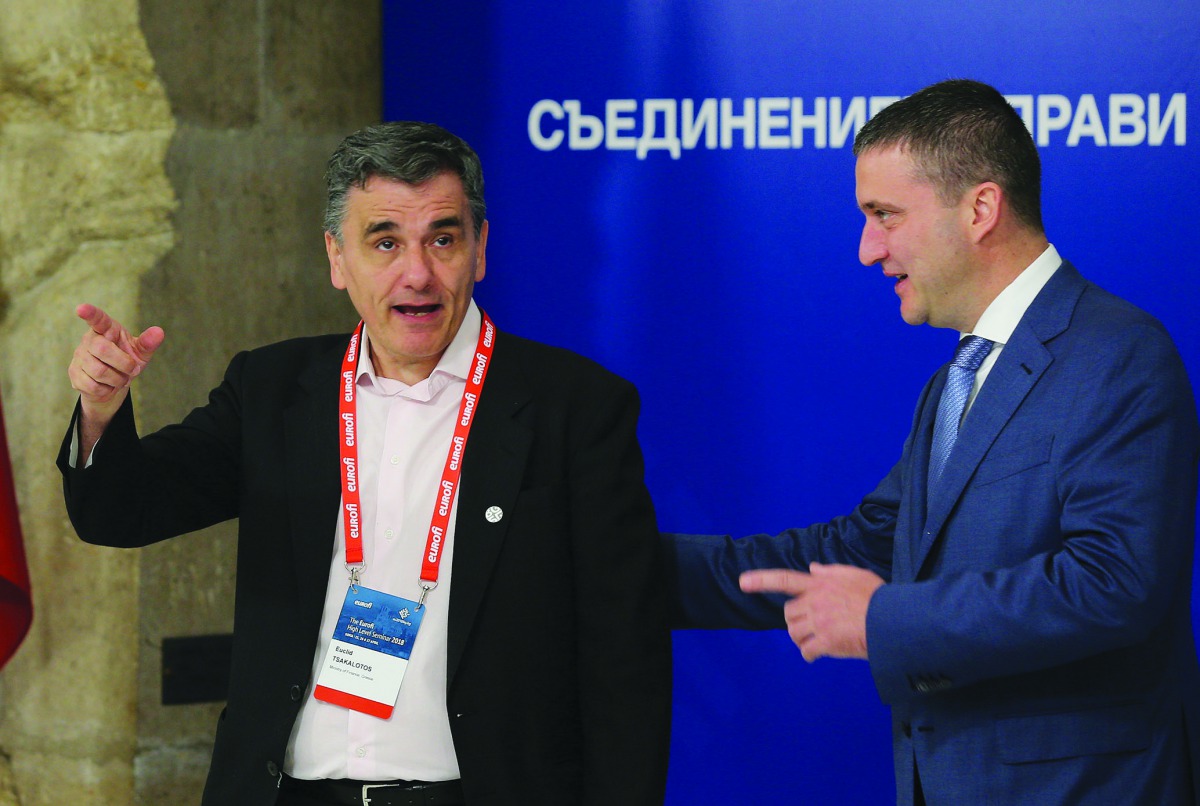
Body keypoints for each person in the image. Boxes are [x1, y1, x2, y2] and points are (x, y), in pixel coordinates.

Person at [59, 121, 671, 806]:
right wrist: (102, 410)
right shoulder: (273, 391)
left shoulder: (575, 409)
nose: (417, 272)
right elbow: (122, 510)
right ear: (336, 258)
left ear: (480, 249)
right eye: (385, 242)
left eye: (443, 238)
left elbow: (628, 662)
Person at [664, 79, 1200, 805]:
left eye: (884, 215)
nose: (865, 250)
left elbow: (1111, 584)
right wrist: (614, 559)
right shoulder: (955, 380)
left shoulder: (1119, 353)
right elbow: (868, 548)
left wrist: (883, 620)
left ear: (980, 208)